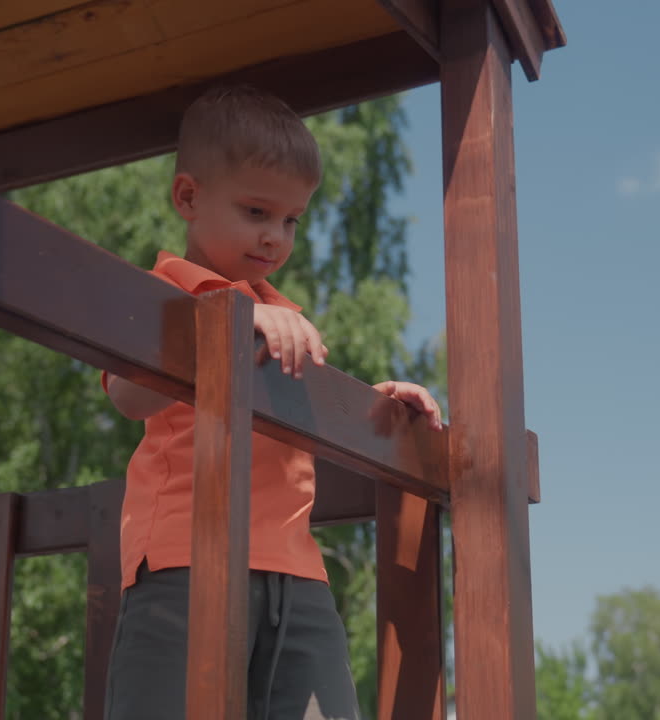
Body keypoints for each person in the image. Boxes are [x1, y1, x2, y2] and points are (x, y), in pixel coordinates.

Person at [100, 84, 443, 720]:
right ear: (188, 197)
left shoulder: (284, 314)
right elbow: (127, 393)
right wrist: (231, 318)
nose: (275, 238)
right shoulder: (165, 290)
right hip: (187, 560)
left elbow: (311, 414)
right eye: (257, 212)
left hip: (299, 572)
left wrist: (383, 410)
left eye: (291, 220)